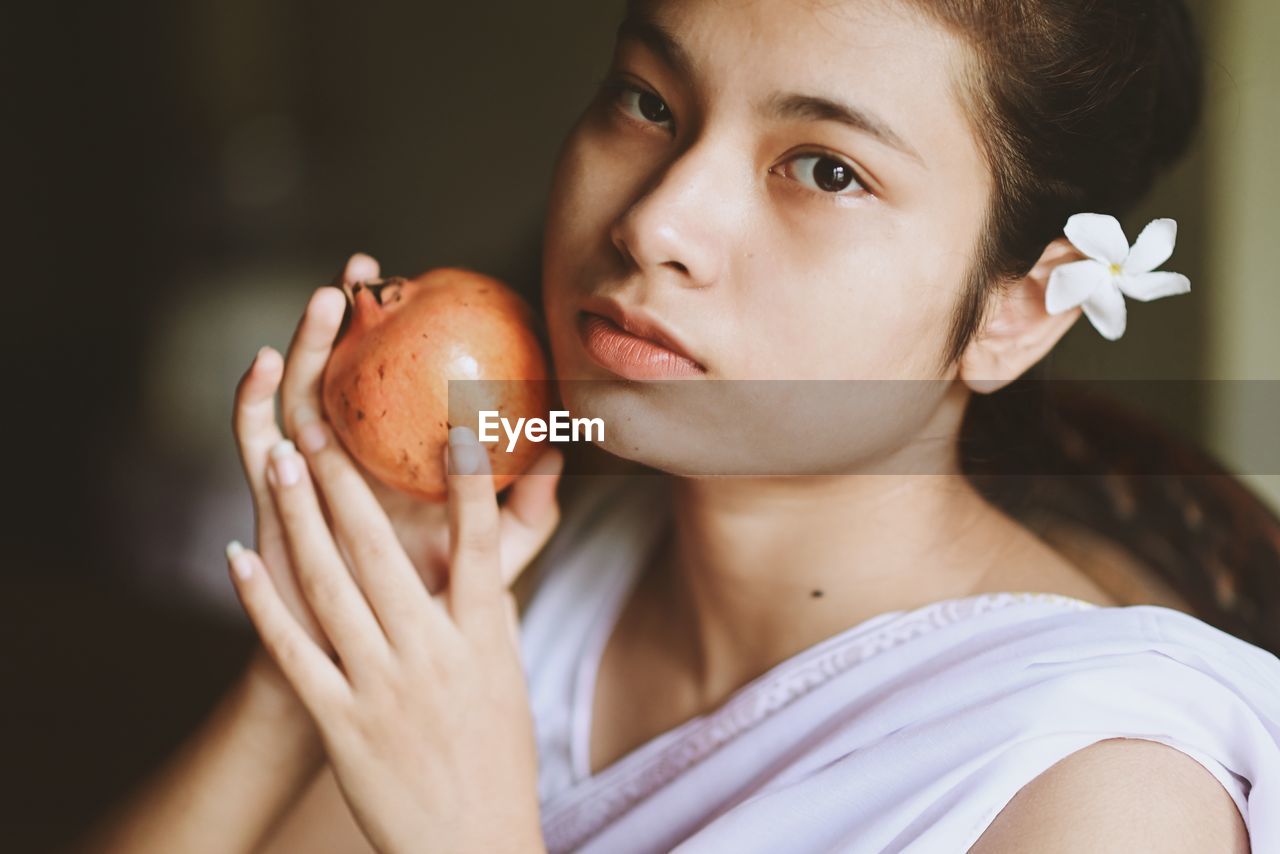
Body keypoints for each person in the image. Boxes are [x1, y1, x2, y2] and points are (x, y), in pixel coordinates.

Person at [77, 0, 1280, 851]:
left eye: (822, 170)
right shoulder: (555, 567)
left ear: (1015, 311)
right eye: (649, 100)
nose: (658, 217)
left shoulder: (1101, 793)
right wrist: (329, 637)